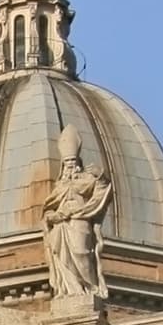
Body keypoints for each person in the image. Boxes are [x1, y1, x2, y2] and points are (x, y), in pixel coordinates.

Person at [41, 125, 112, 299]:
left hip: (80, 220)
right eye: (67, 163)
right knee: (62, 255)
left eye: (73, 162)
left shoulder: (87, 180)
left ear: (78, 163)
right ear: (63, 166)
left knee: (82, 252)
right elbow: (48, 209)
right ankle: (72, 289)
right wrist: (54, 216)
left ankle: (89, 287)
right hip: (61, 224)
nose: (70, 165)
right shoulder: (60, 186)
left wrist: (101, 175)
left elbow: (102, 190)